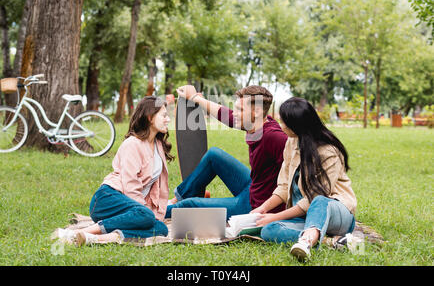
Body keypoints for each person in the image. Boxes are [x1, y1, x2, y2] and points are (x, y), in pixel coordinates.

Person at [53, 96, 173, 246]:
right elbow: (130, 185)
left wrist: (154, 214)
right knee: (146, 216)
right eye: (164, 115)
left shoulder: (158, 145)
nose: (168, 119)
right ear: (150, 117)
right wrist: (144, 214)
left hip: (131, 208)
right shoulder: (133, 144)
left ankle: (94, 238)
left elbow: (157, 188)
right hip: (107, 199)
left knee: (161, 228)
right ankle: (80, 232)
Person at [252, 97, 357, 261]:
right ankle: (332, 242)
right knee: (268, 230)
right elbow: (283, 185)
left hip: (337, 214)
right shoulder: (291, 142)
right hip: (306, 217)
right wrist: (262, 209)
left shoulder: (329, 152)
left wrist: (275, 216)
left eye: (284, 121)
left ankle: (307, 242)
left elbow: (314, 199)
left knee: (320, 201)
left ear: (296, 125)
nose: (281, 124)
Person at [166, 85, 288, 219]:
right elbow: (227, 116)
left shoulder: (274, 137)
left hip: (255, 205)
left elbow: (297, 175)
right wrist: (195, 98)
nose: (234, 113)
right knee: (214, 155)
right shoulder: (259, 122)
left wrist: (279, 213)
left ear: (257, 112)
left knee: (189, 205)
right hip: (253, 186)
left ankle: (157, 212)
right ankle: (178, 198)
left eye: (240, 110)